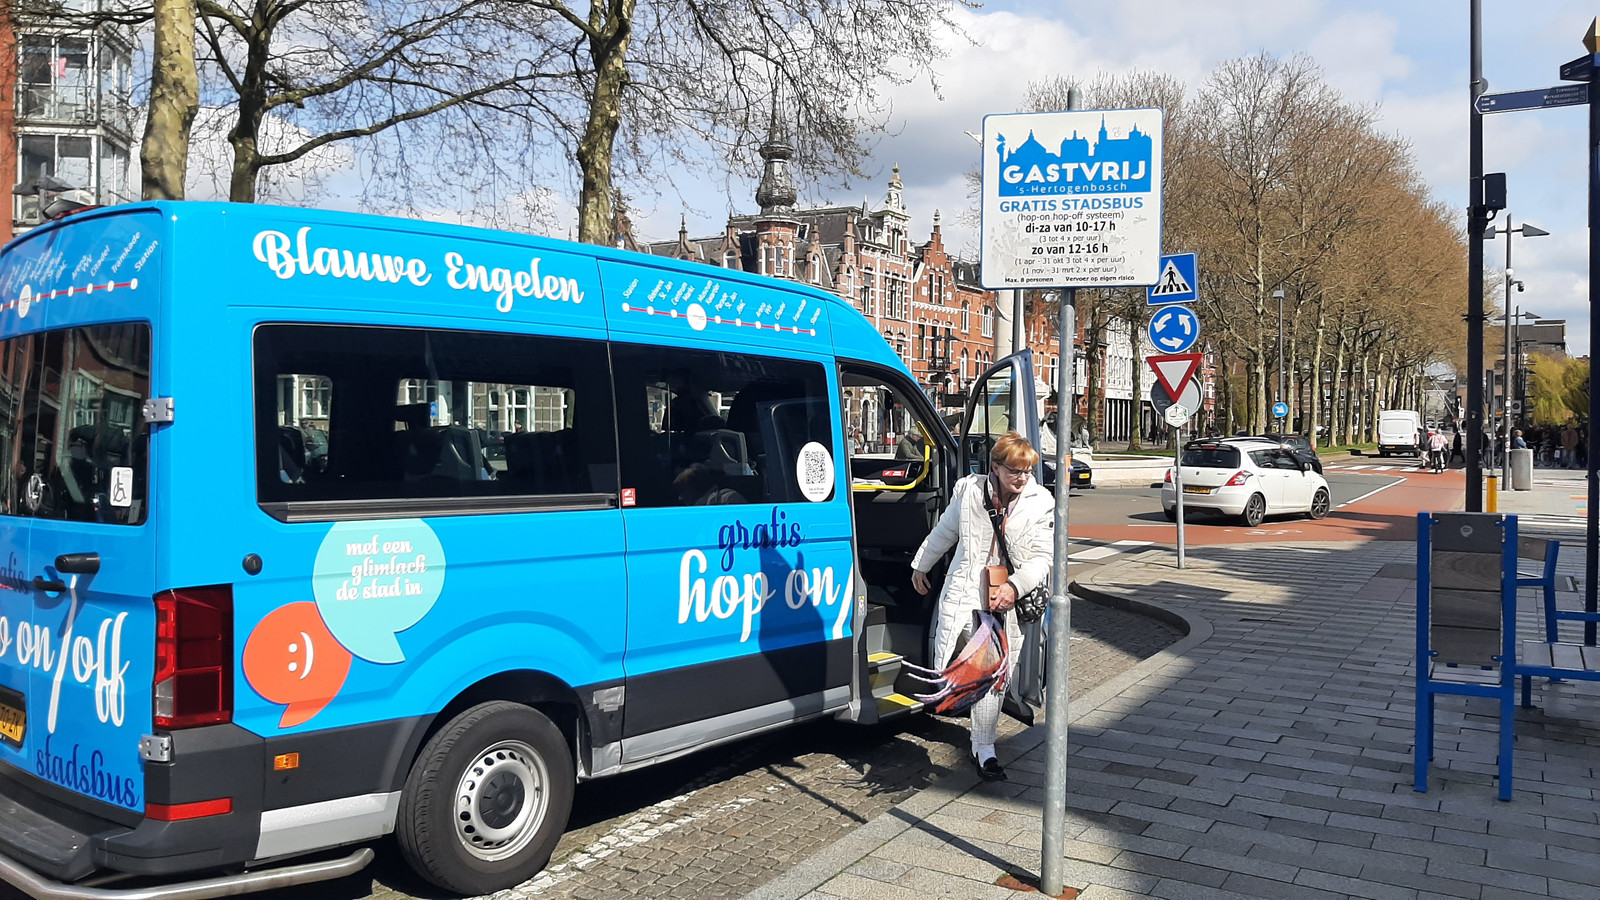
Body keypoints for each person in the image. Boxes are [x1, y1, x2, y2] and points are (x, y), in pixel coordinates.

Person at [909, 432, 1054, 782]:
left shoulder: (1041, 502)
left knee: (992, 673)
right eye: (1014, 470)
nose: (1022, 478)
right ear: (995, 467)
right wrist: (921, 565)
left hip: (1005, 601)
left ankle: (984, 748)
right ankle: (973, 726)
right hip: (965, 594)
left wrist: (1014, 587)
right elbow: (946, 531)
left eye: (1027, 471)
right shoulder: (969, 491)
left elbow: (1042, 558)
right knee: (967, 667)